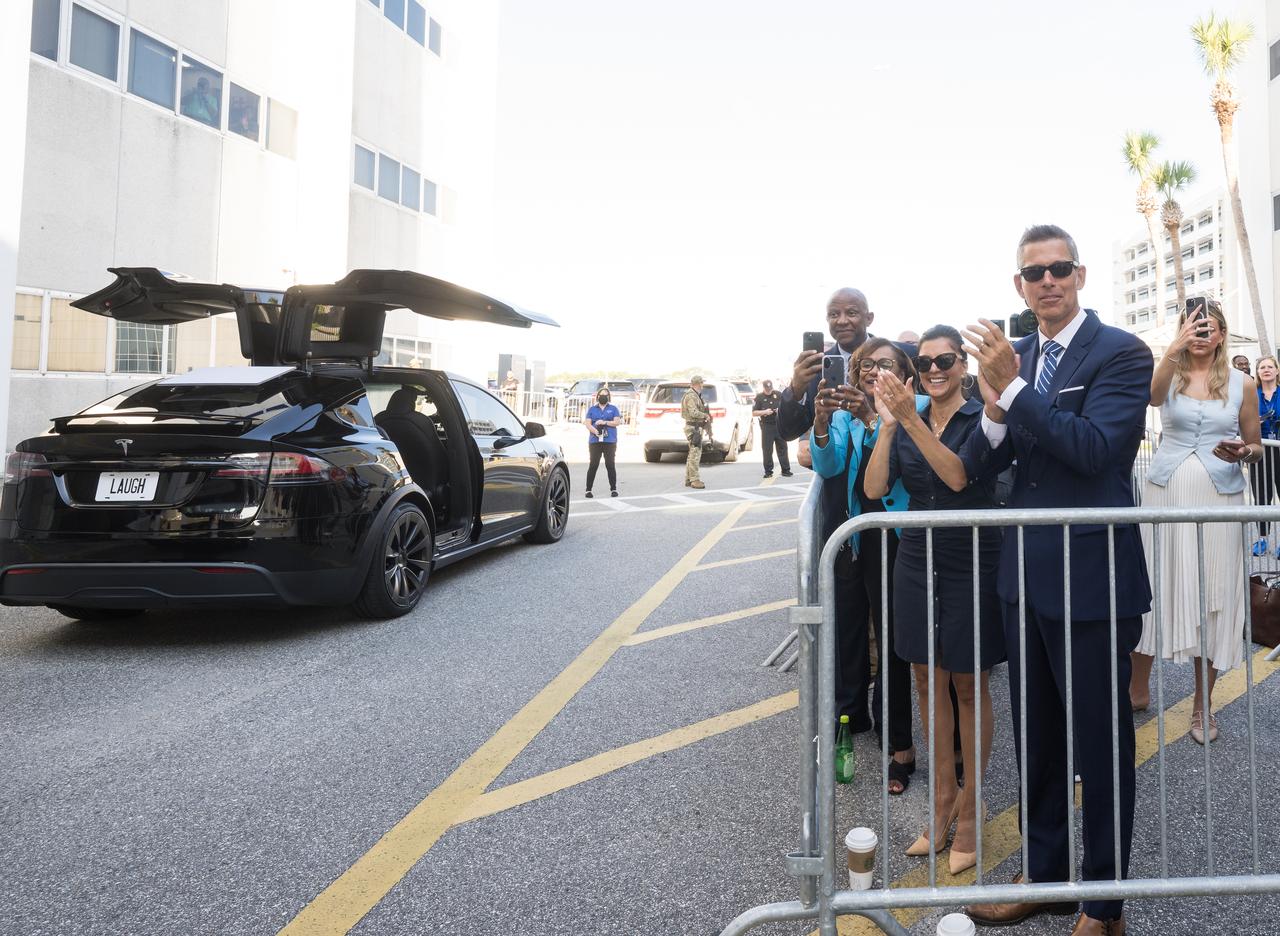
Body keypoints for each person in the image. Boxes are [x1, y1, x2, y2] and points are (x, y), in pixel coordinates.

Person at [962, 224, 1153, 934]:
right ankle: (1045, 877)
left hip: (1094, 582)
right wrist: (990, 408)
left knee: (1101, 751)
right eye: (1033, 273)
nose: (1047, 281)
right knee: (1037, 743)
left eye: (1059, 269)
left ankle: (1104, 906)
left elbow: (1096, 451)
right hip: (1025, 581)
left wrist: (1012, 385)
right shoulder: (1022, 360)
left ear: (1080, 276)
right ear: (1020, 286)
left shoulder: (1121, 353)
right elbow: (985, 470)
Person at [864, 325, 1005, 875]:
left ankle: (969, 809)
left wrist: (912, 420)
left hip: (972, 554)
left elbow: (956, 475)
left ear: (963, 365)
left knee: (969, 683)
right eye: (923, 363)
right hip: (917, 554)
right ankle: (941, 802)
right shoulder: (904, 417)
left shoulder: (983, 416)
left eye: (945, 359)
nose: (934, 370)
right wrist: (886, 425)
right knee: (926, 679)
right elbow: (875, 490)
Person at [1129, 300, 1260, 743]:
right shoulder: (1171, 373)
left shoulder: (1243, 384)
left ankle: (1202, 707)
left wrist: (1246, 452)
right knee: (1152, 586)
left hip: (1221, 499)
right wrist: (1175, 345)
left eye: (1209, 327)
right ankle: (1138, 687)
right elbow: (1149, 396)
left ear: (1222, 333)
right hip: (1165, 493)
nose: (1202, 333)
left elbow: (1256, 443)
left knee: (1214, 592)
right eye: (1194, 326)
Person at [809, 337, 919, 794]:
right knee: (848, 627)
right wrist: (820, 423)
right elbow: (829, 465)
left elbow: (896, 469)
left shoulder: (917, 407)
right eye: (866, 364)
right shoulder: (840, 413)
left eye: (886, 363)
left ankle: (897, 741)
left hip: (893, 534)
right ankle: (850, 718)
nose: (874, 371)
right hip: (852, 534)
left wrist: (873, 419)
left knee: (893, 638)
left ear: (904, 371)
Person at [1250, 355, 1279, 553]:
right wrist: (1253, 423)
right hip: (1260, 452)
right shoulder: (1251, 394)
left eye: (1270, 366)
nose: (1266, 370)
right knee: (1261, 496)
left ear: (1277, 371)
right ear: (1258, 373)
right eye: (1262, 367)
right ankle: (1262, 540)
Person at [584, 388, 621, 498]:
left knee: (610, 464)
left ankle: (613, 489)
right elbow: (587, 423)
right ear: (598, 396)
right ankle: (588, 490)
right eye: (601, 394)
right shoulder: (592, 409)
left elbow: (617, 422)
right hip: (595, 441)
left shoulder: (613, 408)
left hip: (609, 441)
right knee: (593, 464)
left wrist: (605, 422)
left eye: (606, 395)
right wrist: (594, 431)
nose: (603, 396)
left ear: (609, 396)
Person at [752, 380, 792, 478]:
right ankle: (768, 471)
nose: (769, 391)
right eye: (767, 389)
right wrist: (764, 412)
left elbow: (787, 406)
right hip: (766, 426)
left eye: (770, 389)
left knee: (782, 447)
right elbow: (754, 413)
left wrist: (780, 410)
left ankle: (786, 470)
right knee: (767, 449)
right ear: (764, 388)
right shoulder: (759, 397)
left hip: (779, 424)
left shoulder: (778, 394)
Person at [682, 376, 710, 489]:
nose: (703, 385)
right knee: (695, 454)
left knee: (692, 454)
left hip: (696, 427)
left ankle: (689, 479)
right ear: (698, 384)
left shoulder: (695, 395)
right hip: (693, 428)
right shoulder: (691, 396)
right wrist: (705, 415)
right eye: (702, 383)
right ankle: (694, 480)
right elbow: (693, 412)